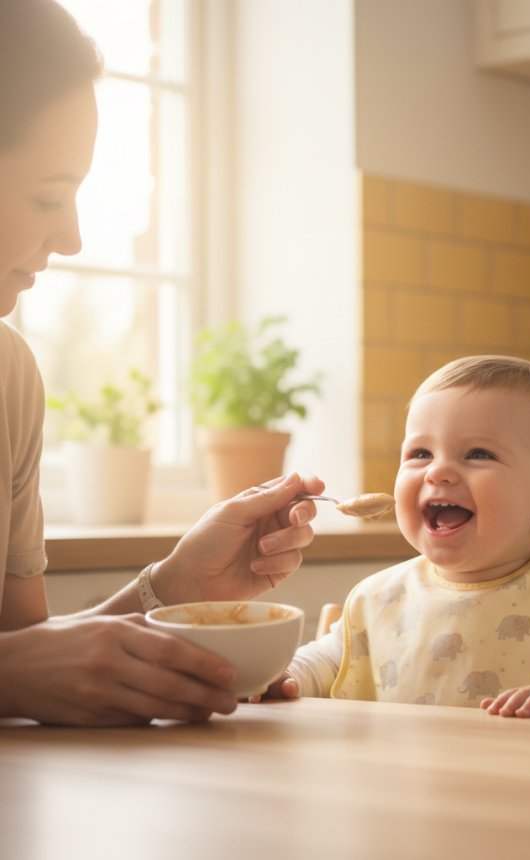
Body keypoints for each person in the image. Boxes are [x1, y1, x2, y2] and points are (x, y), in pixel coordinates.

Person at [0, 0, 323, 727]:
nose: (72, 238)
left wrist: (175, 589)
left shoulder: (9, 377)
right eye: (49, 196)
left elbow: (29, 660)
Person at [262, 356, 530, 718]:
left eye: (478, 454)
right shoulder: (379, 597)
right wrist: (287, 675)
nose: (437, 471)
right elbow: (328, 662)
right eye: (420, 453)